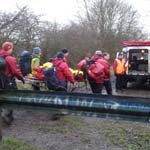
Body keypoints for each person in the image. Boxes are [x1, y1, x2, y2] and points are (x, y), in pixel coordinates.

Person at [0, 42, 24, 124]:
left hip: (1, 81)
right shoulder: (10, 58)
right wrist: (21, 78)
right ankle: (7, 115)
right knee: (11, 97)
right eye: (12, 48)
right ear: (9, 48)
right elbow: (15, 71)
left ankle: (3, 112)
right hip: (8, 81)